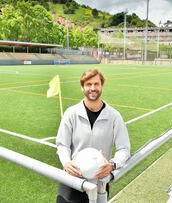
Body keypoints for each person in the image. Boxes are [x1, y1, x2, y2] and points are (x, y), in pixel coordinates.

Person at [56, 68, 131, 203]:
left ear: (102, 86)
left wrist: (113, 165)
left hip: (99, 183)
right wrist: (66, 162)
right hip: (72, 180)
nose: (93, 88)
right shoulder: (71, 113)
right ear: (82, 87)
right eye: (88, 84)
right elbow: (62, 144)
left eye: (96, 84)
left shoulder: (114, 116)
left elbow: (124, 148)